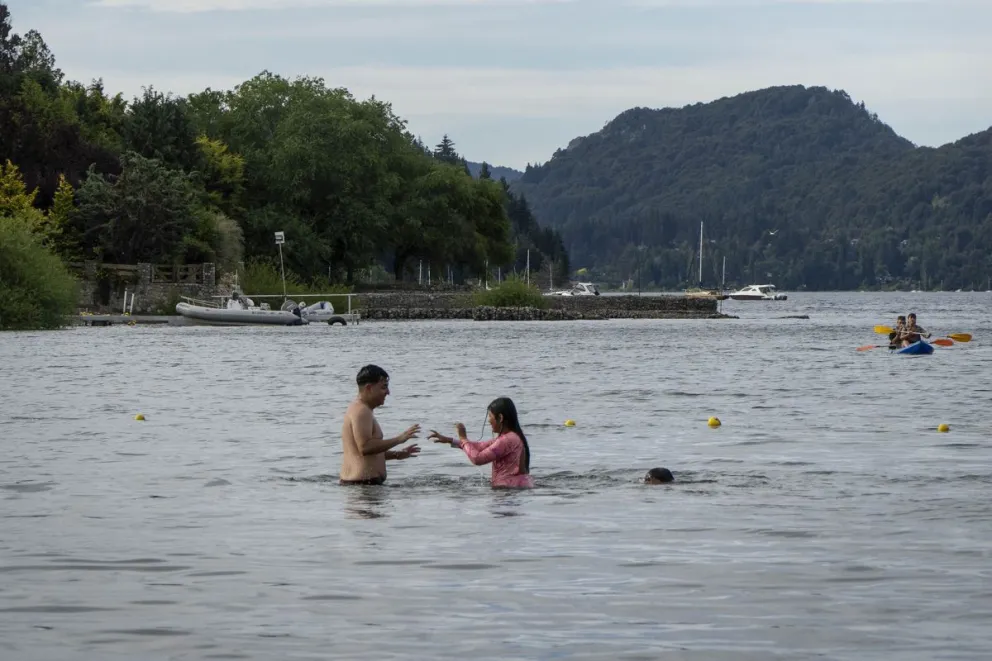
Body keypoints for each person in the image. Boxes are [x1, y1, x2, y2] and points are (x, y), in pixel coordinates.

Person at [339, 365, 421, 485]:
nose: (388, 392)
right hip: (362, 488)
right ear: (369, 388)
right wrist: (399, 439)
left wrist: (397, 454)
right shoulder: (361, 411)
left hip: (363, 486)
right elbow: (365, 448)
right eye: (384, 387)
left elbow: (363, 455)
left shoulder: (362, 409)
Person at [429, 397, 533, 489]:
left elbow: (477, 458)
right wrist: (450, 440)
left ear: (500, 418)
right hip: (512, 489)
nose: (488, 421)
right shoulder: (510, 438)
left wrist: (463, 438)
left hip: (507, 490)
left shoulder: (507, 440)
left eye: (490, 416)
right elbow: (479, 447)